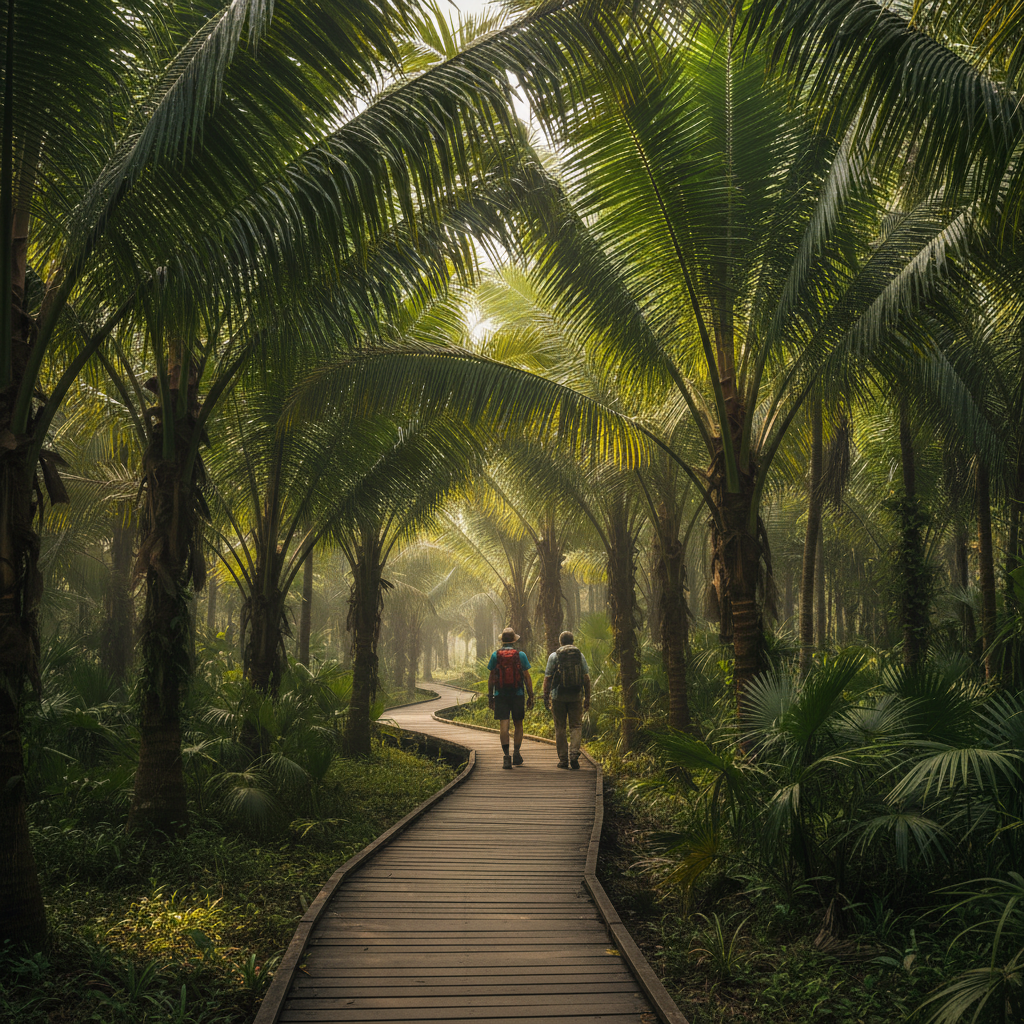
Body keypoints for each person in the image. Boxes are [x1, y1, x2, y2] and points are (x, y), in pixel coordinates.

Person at [543, 630, 591, 770]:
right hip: (576, 695)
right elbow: (586, 678)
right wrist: (587, 697)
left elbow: (547, 679)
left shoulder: (554, 656)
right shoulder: (579, 655)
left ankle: (563, 760)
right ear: (573, 641)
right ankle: (574, 755)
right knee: (576, 726)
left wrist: (546, 696)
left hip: (558, 696)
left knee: (560, 727)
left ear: (560, 642)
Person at [487, 627, 534, 769]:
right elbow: (527, 677)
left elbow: (491, 678)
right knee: (518, 724)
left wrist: (490, 696)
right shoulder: (521, 655)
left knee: (504, 725)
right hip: (517, 694)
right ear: (514, 640)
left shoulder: (496, 655)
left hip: (500, 695)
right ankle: (517, 753)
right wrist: (531, 695)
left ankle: (506, 757)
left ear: (502, 640)